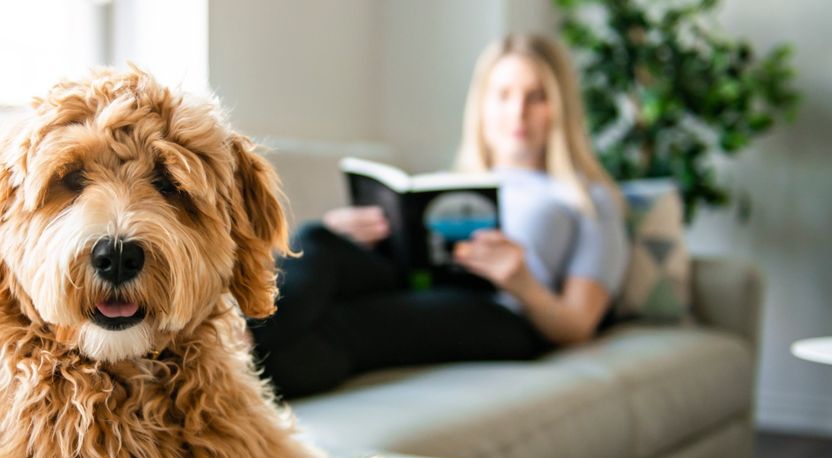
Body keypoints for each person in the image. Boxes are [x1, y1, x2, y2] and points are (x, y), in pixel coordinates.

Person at [250, 34, 628, 399]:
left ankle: (225, 364)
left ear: (560, 108)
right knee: (318, 240)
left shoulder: (589, 198)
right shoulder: (457, 181)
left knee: (348, 324)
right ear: (482, 105)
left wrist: (522, 282)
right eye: (503, 96)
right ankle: (235, 342)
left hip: (502, 312)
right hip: (417, 280)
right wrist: (357, 237)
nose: (518, 112)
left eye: (537, 97)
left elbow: (578, 325)